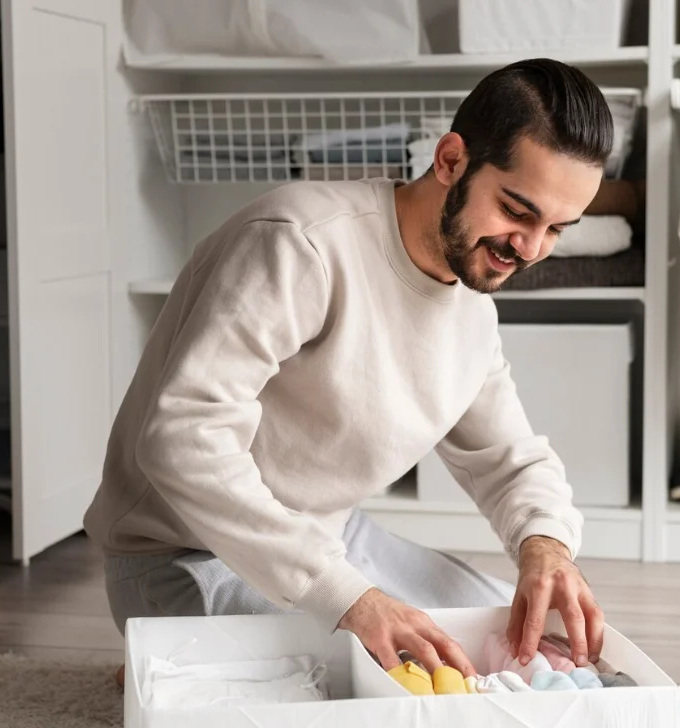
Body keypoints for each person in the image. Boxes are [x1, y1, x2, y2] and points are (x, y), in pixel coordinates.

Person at [83, 58, 613, 687]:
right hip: (184, 555)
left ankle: (212, 670)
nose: (529, 247)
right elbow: (181, 440)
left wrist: (545, 546)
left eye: (556, 229)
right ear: (450, 161)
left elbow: (509, 458)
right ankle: (183, 664)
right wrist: (349, 599)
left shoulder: (470, 311)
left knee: (523, 653)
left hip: (328, 539)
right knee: (390, 684)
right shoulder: (301, 243)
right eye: (517, 212)